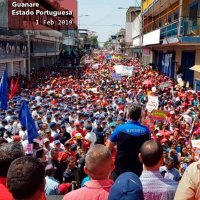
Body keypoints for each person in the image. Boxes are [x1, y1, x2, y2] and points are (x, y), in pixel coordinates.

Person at [107, 104, 150, 180]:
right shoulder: (146, 131)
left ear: (128, 115)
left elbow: (108, 149)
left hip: (120, 169)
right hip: (138, 170)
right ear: (139, 116)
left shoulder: (119, 129)